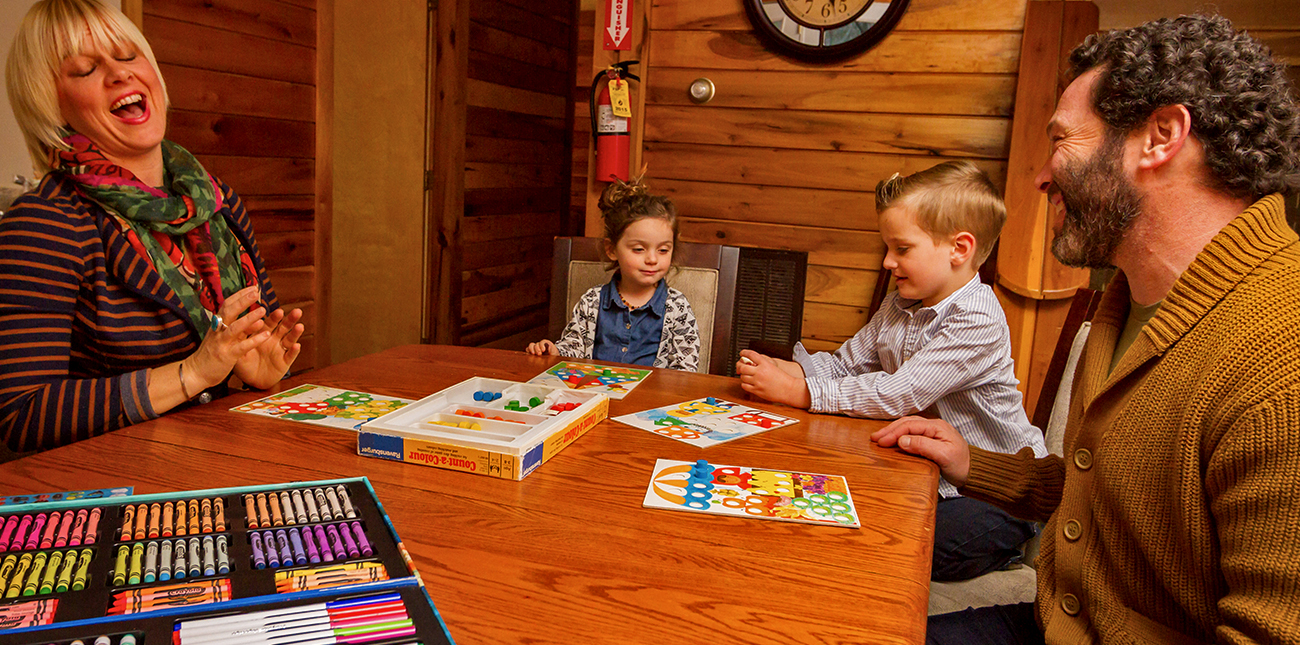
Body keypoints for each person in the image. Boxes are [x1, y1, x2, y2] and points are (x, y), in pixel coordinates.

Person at [872, 15, 1300, 645]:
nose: (1042, 176)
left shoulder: (1280, 359)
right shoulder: (1127, 298)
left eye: (1063, 142)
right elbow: (1105, 490)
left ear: (1161, 136)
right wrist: (976, 465)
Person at [0, 0, 304, 453]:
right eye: (85, 69)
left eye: (127, 56)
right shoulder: (45, 224)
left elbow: (249, 356)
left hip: (210, 467)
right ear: (51, 104)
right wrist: (193, 373)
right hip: (106, 491)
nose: (119, 74)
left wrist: (258, 375)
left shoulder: (217, 203)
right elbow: (17, 416)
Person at [737, 160, 1047, 581]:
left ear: (959, 249)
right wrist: (791, 368)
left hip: (995, 495)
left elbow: (901, 394)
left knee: (895, 548)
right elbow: (847, 364)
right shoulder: (898, 303)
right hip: (923, 474)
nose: (887, 261)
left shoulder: (978, 317)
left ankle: (1005, 549)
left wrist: (797, 392)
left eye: (901, 249)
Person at [527, 177, 700, 372]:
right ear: (611, 249)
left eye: (663, 250)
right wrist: (554, 350)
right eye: (638, 249)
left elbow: (686, 369)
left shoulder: (677, 307)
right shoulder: (593, 300)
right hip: (595, 394)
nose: (652, 259)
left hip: (651, 400)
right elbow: (574, 347)